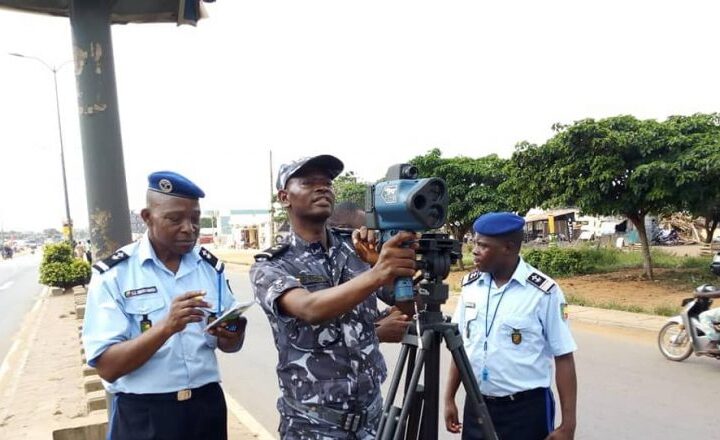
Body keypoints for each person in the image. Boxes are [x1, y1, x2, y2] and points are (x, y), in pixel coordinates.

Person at [250, 155, 417, 439]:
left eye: (327, 183)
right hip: (312, 425)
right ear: (284, 197)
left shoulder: (355, 249)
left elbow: (406, 309)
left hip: (371, 419)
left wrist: (398, 270)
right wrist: (378, 272)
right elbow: (309, 308)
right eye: (309, 182)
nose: (323, 188)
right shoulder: (270, 265)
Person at [82, 171, 247, 440]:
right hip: (144, 415)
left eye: (195, 219)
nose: (189, 228)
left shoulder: (210, 268)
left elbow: (231, 346)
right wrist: (166, 328)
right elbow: (107, 366)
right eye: (174, 219)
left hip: (206, 409)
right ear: (147, 217)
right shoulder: (114, 275)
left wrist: (232, 335)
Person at [444, 212, 577, 440]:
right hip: (477, 405)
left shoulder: (544, 292)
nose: (474, 250)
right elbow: (461, 346)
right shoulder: (471, 286)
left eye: (483, 245)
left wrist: (568, 425)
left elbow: (563, 357)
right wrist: (449, 398)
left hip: (525, 411)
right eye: (475, 243)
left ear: (508, 247)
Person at [327, 200, 412, 344]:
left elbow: (410, 306)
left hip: (368, 365)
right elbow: (316, 335)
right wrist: (376, 333)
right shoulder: (313, 264)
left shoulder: (366, 260)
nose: (372, 237)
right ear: (343, 231)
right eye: (364, 231)